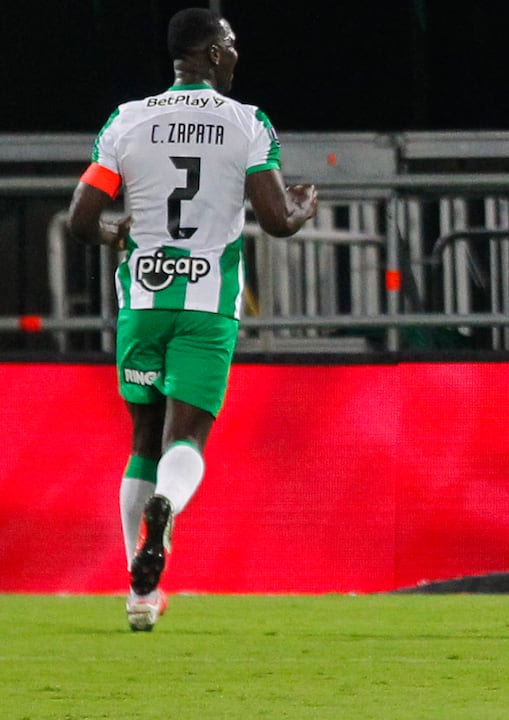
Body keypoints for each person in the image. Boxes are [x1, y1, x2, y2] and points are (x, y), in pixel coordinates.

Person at [67, 7, 318, 631]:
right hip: (207, 308)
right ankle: (166, 509)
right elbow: (276, 220)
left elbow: (81, 217)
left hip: (143, 303)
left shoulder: (127, 120)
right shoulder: (247, 124)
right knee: (188, 441)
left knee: (142, 442)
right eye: (230, 44)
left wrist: (112, 232)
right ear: (209, 53)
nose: (236, 54)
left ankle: (141, 594)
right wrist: (304, 209)